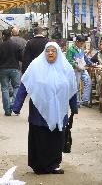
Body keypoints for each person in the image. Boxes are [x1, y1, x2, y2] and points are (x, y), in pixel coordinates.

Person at [12, 42, 78, 175]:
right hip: (39, 110)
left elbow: (72, 89)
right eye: (48, 50)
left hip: (59, 110)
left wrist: (74, 106)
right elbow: (24, 85)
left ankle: (54, 165)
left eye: (53, 50)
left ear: (58, 52)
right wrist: (17, 105)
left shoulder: (66, 68)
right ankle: (39, 166)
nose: (51, 53)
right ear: (44, 52)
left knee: (56, 138)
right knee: (40, 138)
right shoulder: (35, 66)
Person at [0, 29, 22, 116]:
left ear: (3, 36)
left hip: (3, 69)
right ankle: (14, 105)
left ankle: (7, 110)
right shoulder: (16, 45)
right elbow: (21, 58)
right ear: (11, 35)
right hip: (15, 69)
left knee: (5, 88)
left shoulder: (0, 46)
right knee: (16, 87)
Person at [66, 35, 91, 107]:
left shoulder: (81, 49)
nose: (82, 45)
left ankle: (85, 100)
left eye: (83, 43)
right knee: (76, 86)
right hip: (75, 70)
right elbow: (69, 60)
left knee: (88, 81)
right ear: (77, 42)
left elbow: (85, 58)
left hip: (82, 69)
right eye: (81, 43)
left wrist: (91, 63)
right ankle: (76, 102)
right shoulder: (71, 50)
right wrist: (76, 66)